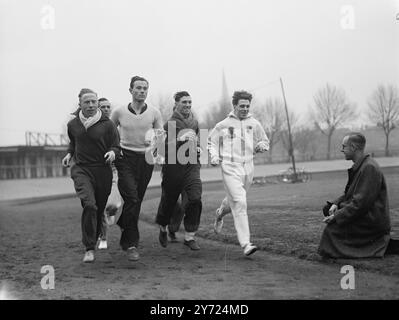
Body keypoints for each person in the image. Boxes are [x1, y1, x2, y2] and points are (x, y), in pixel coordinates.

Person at [208, 90, 269, 256]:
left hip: (248, 167)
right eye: (241, 105)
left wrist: (262, 146)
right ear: (234, 105)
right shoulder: (223, 124)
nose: (245, 108)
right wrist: (214, 156)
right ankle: (246, 243)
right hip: (229, 166)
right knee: (241, 202)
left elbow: (264, 140)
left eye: (247, 106)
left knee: (234, 201)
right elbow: (210, 141)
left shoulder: (254, 123)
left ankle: (220, 213)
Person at [318, 132, 399, 258]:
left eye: (344, 146)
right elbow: (349, 193)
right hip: (365, 214)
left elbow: (360, 204)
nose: (341, 150)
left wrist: (336, 217)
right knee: (327, 209)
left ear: (353, 148)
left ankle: (379, 245)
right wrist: (335, 203)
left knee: (332, 229)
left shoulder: (369, 168)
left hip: (371, 221)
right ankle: (380, 245)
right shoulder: (362, 165)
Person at [62, 88, 120, 263]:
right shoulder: (73, 125)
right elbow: (74, 143)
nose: (91, 105)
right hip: (81, 169)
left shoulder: (108, 124)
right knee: (89, 205)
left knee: (98, 208)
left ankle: (94, 241)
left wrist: (112, 153)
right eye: (87, 102)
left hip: (102, 171)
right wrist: (69, 154)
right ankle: (88, 248)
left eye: (93, 101)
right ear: (80, 104)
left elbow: (116, 145)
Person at [111, 76, 163, 261]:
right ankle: (131, 244)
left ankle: (124, 221)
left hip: (146, 159)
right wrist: (113, 151)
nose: (142, 91)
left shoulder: (154, 113)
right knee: (132, 197)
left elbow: (161, 134)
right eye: (138, 88)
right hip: (125, 158)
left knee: (137, 200)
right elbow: (110, 133)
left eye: (145, 88)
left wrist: (159, 152)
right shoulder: (119, 112)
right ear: (131, 90)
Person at [155, 91, 203, 250]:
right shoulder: (169, 124)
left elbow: (197, 143)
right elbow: (158, 150)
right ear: (176, 104)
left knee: (195, 198)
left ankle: (190, 236)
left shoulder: (195, 122)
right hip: (173, 167)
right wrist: (178, 140)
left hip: (191, 166)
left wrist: (199, 150)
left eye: (190, 102)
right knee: (170, 202)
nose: (188, 105)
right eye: (184, 102)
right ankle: (163, 227)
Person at [96, 97, 123, 250]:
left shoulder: (115, 128)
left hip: (113, 170)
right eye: (103, 107)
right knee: (98, 206)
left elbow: (120, 146)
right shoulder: (91, 128)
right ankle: (103, 237)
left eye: (108, 107)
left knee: (112, 204)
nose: (106, 109)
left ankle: (111, 211)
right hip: (95, 170)